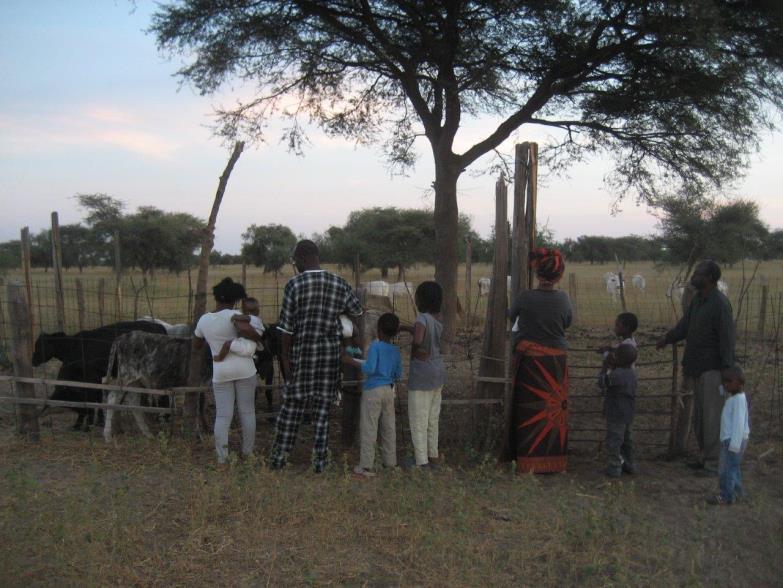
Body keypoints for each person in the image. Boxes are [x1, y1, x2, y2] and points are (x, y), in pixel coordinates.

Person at [270, 240, 364, 473]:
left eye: (296, 261)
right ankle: (320, 463)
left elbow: (287, 328)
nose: (296, 265)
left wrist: (285, 357)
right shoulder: (339, 283)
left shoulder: (294, 284)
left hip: (302, 355)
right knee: (323, 410)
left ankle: (279, 458)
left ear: (302, 258)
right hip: (330, 356)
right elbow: (357, 310)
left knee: (292, 407)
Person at [656, 260, 735, 475]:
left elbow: (727, 338)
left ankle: (713, 463)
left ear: (710, 278)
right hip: (697, 366)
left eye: (698, 273)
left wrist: (727, 368)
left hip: (713, 368)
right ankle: (704, 456)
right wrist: (667, 338)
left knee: (712, 417)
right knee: (700, 416)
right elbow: (685, 326)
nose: (694, 275)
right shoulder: (699, 300)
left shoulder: (719, 304)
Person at [507, 247, 573, 473]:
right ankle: (555, 461)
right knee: (555, 411)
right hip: (556, 364)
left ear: (537, 273)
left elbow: (511, 315)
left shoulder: (525, 297)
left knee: (529, 410)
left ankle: (528, 461)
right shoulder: (564, 298)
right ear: (559, 275)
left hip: (532, 363)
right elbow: (567, 323)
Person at [193, 278, 261, 464]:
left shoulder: (204, 320)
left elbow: (197, 345)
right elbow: (254, 334)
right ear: (235, 300)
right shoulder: (239, 316)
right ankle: (248, 453)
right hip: (245, 369)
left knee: (223, 415)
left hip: (221, 371)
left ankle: (222, 457)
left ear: (215, 298)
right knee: (247, 411)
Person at [345, 312, 402, 477]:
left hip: (372, 391)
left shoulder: (375, 346)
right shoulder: (395, 350)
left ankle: (366, 466)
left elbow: (370, 368)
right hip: (388, 391)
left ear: (379, 330)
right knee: (389, 427)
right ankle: (390, 463)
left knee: (369, 427)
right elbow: (398, 373)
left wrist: (351, 361)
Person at [402, 281, 446, 469]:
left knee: (418, 418)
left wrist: (414, 348)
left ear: (423, 300)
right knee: (432, 418)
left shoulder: (421, 318)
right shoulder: (438, 318)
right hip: (437, 371)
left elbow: (419, 339)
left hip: (422, 374)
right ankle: (433, 455)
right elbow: (428, 333)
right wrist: (406, 328)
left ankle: (421, 461)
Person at [707, 366, 750, 505]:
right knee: (734, 467)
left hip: (733, 441)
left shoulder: (737, 400)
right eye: (724, 381)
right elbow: (722, 391)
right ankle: (738, 492)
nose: (726, 384)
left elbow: (738, 423)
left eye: (729, 382)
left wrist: (735, 445)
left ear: (739, 383)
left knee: (726, 469)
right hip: (733, 440)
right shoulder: (735, 397)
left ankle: (726, 496)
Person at [598, 344, 639, 477]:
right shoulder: (632, 374)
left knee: (614, 440)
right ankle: (629, 464)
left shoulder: (616, 375)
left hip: (616, 413)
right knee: (628, 440)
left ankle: (614, 467)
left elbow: (602, 383)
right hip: (628, 413)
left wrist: (604, 367)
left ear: (619, 359)